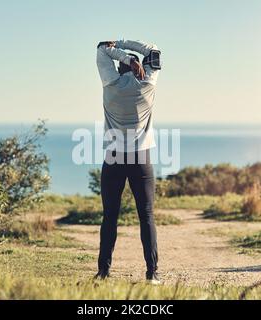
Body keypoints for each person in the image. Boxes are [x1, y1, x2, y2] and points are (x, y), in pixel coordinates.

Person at [95, 39, 161, 284]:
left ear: (119, 67)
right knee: (146, 215)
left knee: (110, 215)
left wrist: (124, 55)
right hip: (140, 157)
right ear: (138, 69)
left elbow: (102, 49)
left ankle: (103, 273)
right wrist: (127, 44)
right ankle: (152, 274)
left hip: (113, 157)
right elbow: (154, 50)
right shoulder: (147, 83)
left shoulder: (110, 83)